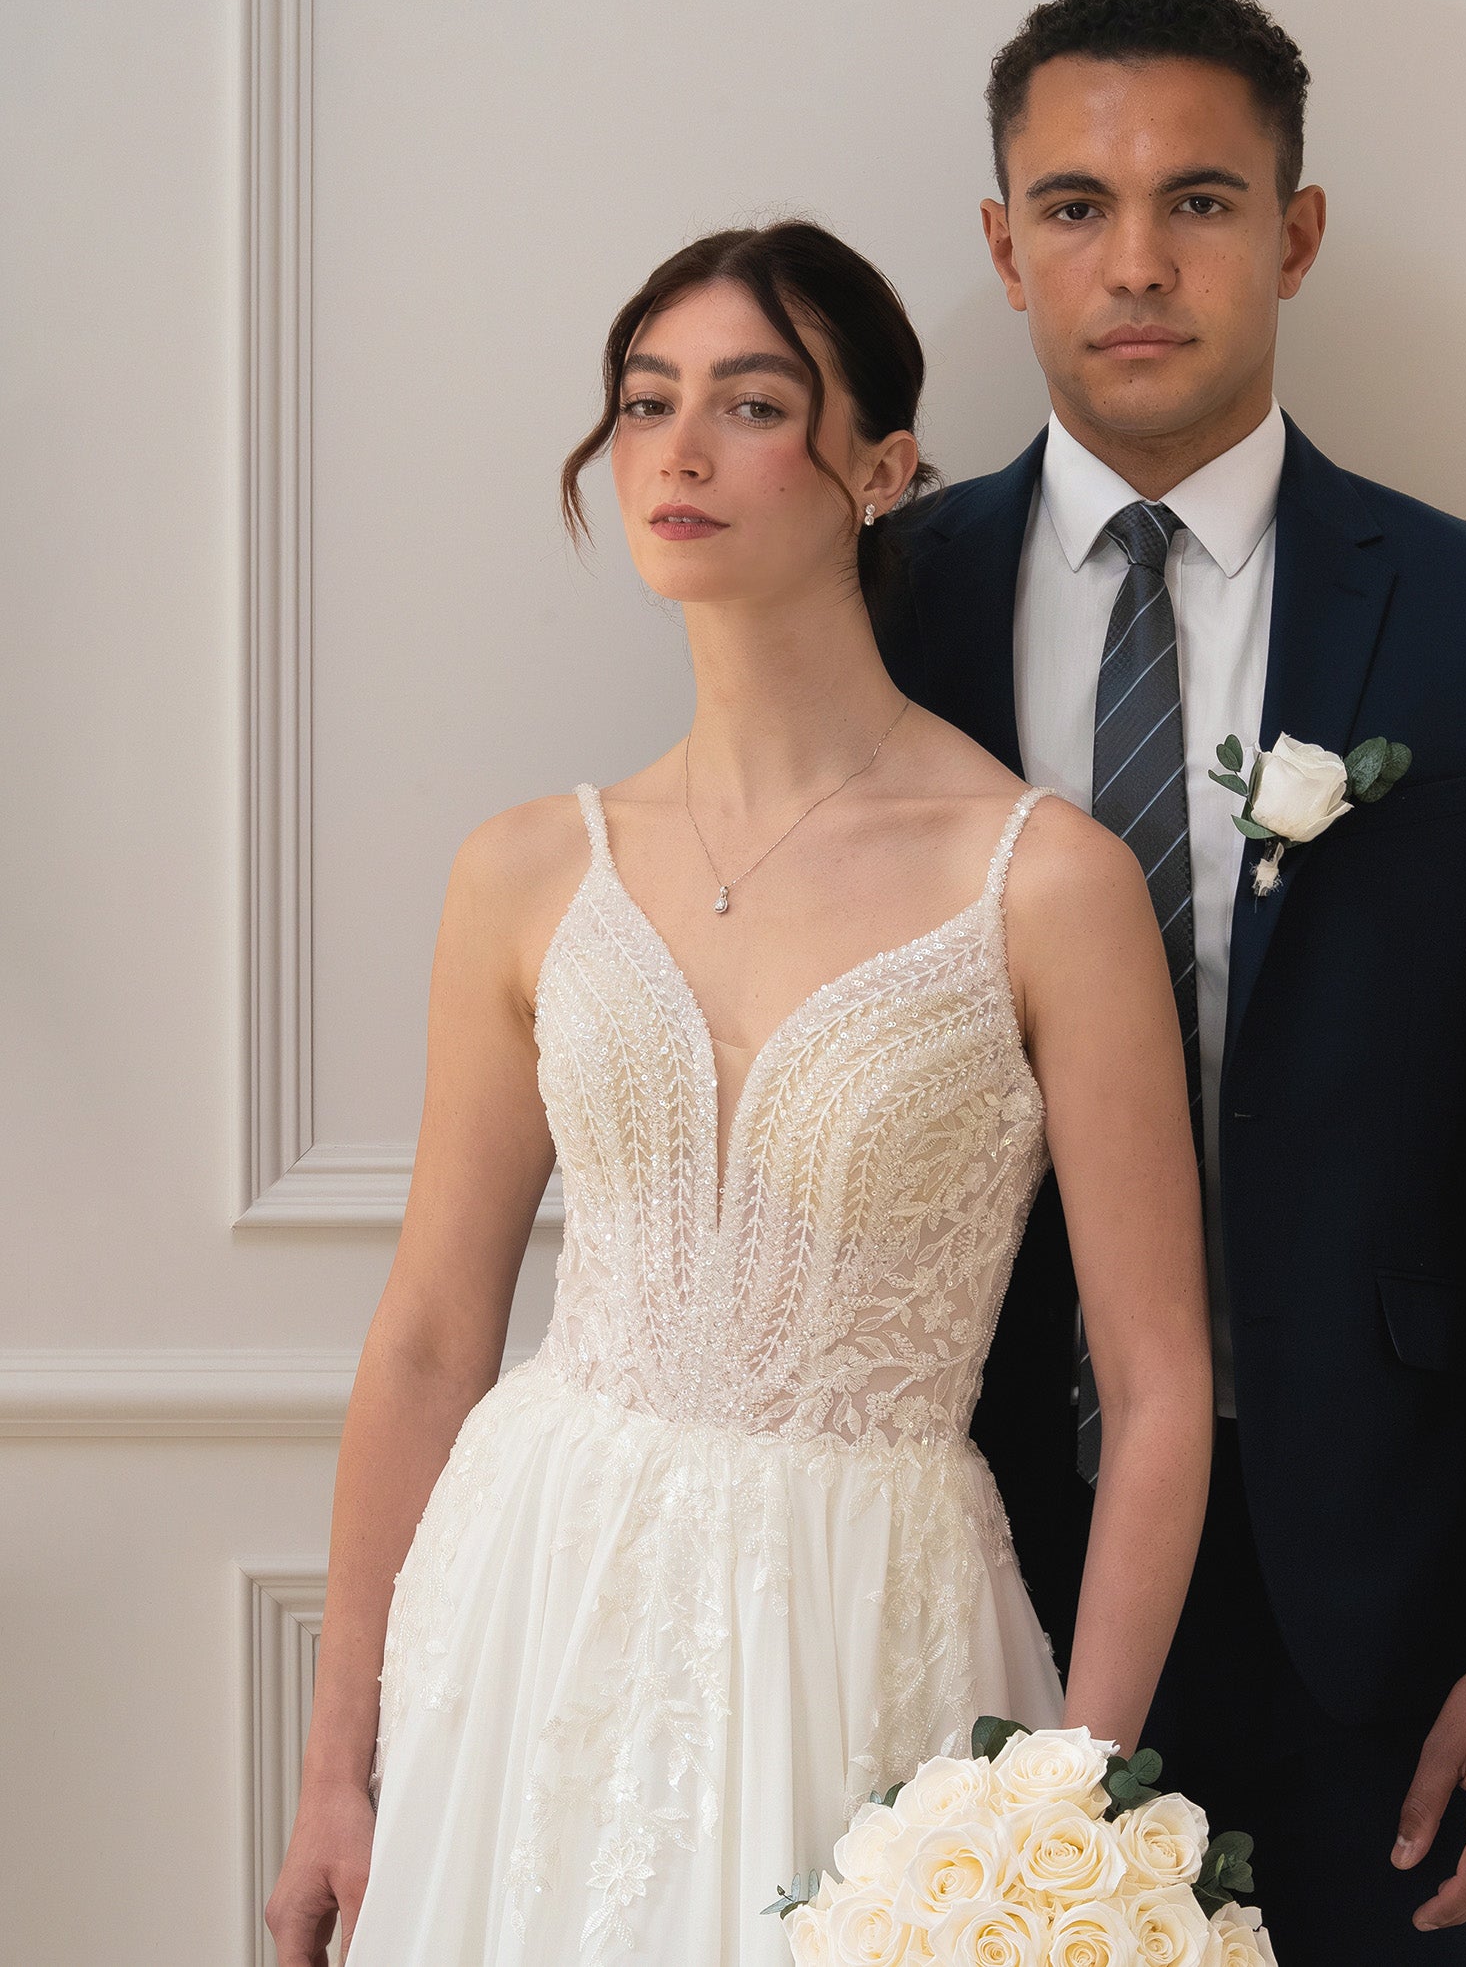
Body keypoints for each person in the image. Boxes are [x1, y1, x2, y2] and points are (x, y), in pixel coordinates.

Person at [264, 221, 1214, 1966]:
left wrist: (1064, 1806)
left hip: (861, 1627)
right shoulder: (528, 869)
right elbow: (429, 1339)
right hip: (532, 1611)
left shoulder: (1044, 884)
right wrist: (337, 1770)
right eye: (646, 402)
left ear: (884, 470)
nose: (680, 452)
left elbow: (1159, 1386)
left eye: (753, 404)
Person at [876, 0, 1466, 1960]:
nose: (1137, 262)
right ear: (1005, 248)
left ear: (1296, 233)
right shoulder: (877, 610)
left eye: (1202, 201)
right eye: (1076, 206)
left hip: (1370, 1602)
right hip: (959, 1553)